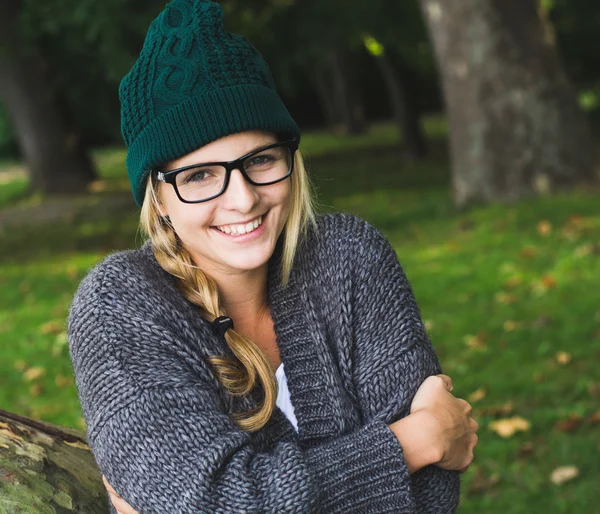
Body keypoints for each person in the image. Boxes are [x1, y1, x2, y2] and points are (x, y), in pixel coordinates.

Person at [67, 1, 478, 513]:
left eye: (259, 160)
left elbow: (433, 495)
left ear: (291, 160)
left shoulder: (351, 259)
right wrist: (412, 443)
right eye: (199, 176)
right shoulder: (118, 309)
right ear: (159, 199)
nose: (242, 198)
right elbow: (215, 504)